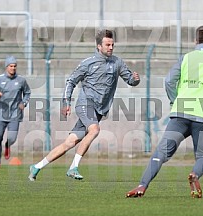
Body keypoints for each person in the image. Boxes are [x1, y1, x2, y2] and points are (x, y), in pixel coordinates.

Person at [126, 25, 203, 198]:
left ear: (195, 41)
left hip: (180, 114)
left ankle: (142, 185)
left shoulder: (185, 58)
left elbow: (169, 81)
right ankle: (195, 174)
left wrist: (175, 101)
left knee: (161, 153)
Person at [28, 29, 140, 181]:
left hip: (99, 110)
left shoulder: (117, 62)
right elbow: (71, 81)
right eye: (107, 44)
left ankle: (37, 166)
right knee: (94, 130)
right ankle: (73, 167)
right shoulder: (88, 63)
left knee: (70, 142)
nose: (111, 47)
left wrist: (135, 79)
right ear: (99, 46)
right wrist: (66, 102)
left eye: (112, 44)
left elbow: (130, 80)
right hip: (85, 104)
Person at [0, 56, 31, 169]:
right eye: (11, 66)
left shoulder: (21, 80)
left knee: (12, 138)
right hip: (0, 114)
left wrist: (24, 103)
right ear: (6, 67)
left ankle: (8, 145)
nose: (13, 68)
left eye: (15, 66)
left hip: (15, 114)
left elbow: (27, 93)